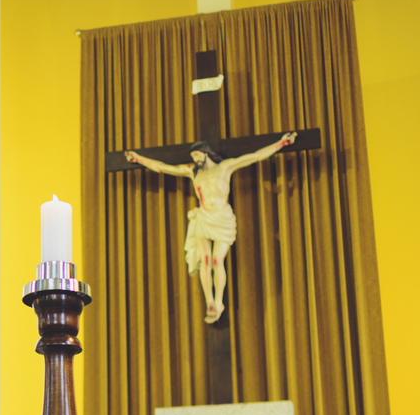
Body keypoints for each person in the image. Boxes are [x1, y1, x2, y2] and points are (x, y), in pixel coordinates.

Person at [124, 132, 296, 323]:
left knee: (216, 259)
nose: (195, 160)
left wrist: (280, 144)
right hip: (204, 217)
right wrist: (139, 159)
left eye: (198, 155)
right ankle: (210, 302)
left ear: (206, 153)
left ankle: (219, 301)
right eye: (193, 157)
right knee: (205, 259)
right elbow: (163, 168)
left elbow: (255, 156)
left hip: (222, 217)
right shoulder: (193, 171)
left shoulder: (225, 167)